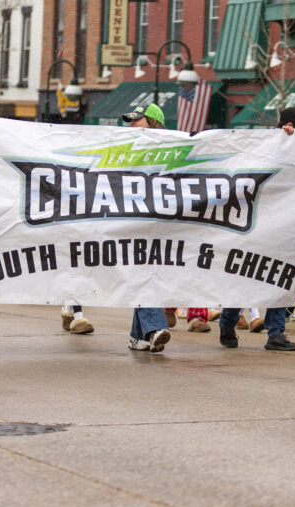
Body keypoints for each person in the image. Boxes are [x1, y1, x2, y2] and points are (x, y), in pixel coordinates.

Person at [219, 107, 295, 352]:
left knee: (282, 278)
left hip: (286, 224)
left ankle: (276, 333)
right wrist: (279, 138)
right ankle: (228, 322)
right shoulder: (268, 145)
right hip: (258, 222)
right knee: (247, 276)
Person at [121, 103, 172, 352]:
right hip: (135, 223)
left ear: (152, 122)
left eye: (136, 120)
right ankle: (154, 329)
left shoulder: (175, 147)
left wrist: (282, 136)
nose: (131, 125)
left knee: (148, 274)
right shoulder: (125, 149)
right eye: (130, 121)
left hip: (161, 224)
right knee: (145, 273)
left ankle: (137, 335)